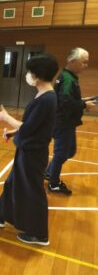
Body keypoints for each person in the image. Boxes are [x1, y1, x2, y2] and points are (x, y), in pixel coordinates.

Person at [0, 54, 59, 246]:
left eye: (30, 72)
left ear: (38, 75)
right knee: (12, 183)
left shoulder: (47, 99)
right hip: (27, 149)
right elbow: (33, 125)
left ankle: (40, 234)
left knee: (33, 192)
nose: (28, 75)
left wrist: (6, 117)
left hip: (33, 153)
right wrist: (14, 133)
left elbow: (29, 127)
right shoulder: (44, 95)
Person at [45, 47, 96, 195]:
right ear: (72, 61)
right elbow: (65, 102)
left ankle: (49, 172)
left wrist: (81, 100)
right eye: (83, 62)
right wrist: (84, 105)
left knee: (69, 151)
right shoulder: (67, 78)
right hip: (62, 123)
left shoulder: (69, 77)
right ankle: (53, 183)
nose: (85, 66)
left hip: (67, 122)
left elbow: (66, 99)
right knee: (62, 153)